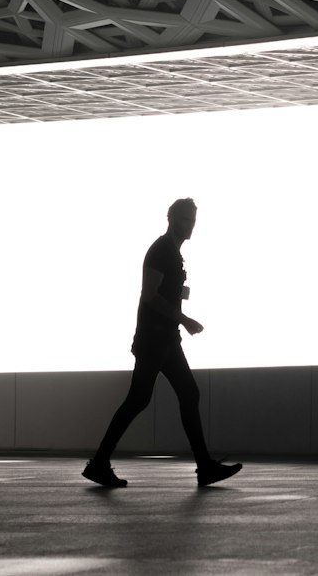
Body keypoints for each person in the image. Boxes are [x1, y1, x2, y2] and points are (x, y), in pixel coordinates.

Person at [82, 198, 242, 489]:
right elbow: (149, 296)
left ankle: (204, 466)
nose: (190, 226)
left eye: (193, 220)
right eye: (185, 220)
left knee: (183, 393)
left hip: (165, 338)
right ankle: (99, 463)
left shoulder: (173, 253)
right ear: (171, 219)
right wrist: (184, 319)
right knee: (140, 399)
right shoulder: (160, 251)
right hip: (155, 339)